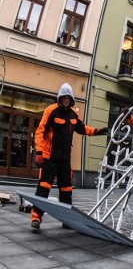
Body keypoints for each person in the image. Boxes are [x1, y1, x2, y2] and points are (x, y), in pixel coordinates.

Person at [31, 83, 108, 230]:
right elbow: (40, 131)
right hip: (49, 157)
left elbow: (82, 128)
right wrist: (39, 152)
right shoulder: (51, 111)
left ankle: (67, 220)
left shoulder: (73, 114)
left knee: (66, 189)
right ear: (60, 98)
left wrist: (97, 131)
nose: (66, 100)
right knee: (44, 187)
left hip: (64, 159)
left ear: (71, 99)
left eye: (68, 98)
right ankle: (36, 218)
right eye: (64, 97)